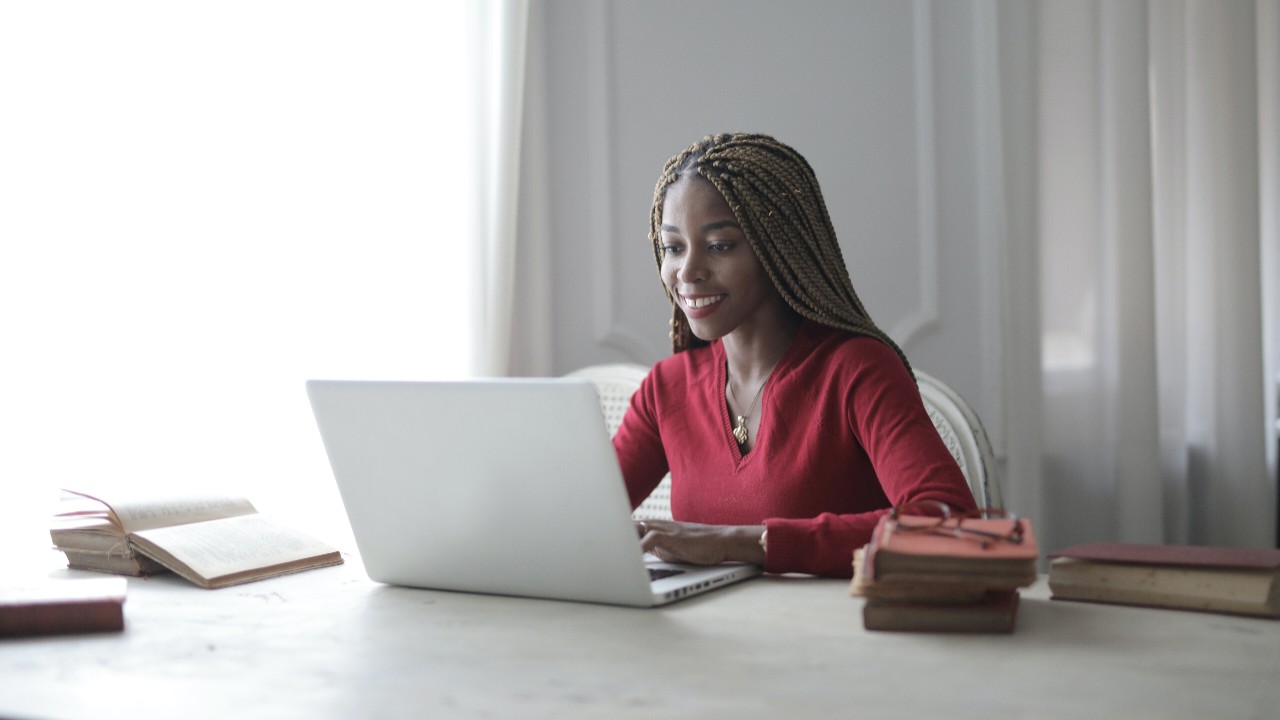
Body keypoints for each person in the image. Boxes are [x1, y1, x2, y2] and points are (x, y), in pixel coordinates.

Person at [612, 132, 978, 578]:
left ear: (777, 246)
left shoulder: (857, 370)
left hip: (837, 638)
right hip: (706, 637)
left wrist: (741, 543)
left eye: (720, 245)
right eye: (673, 247)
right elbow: (580, 519)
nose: (687, 272)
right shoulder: (666, 388)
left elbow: (951, 523)